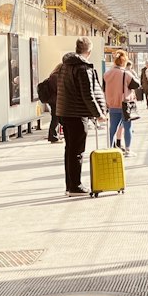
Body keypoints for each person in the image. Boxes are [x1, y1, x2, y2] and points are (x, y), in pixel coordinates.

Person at [52, 37, 106, 196]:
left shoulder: (64, 66)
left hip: (64, 112)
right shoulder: (82, 68)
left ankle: (70, 185)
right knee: (77, 151)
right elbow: (87, 94)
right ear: (89, 51)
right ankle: (76, 186)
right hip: (76, 114)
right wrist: (99, 114)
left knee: (70, 150)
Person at [103, 52, 140, 156]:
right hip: (124, 105)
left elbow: (104, 88)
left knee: (113, 128)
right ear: (124, 62)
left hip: (112, 104)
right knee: (127, 127)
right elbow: (136, 84)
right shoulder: (126, 73)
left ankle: (110, 148)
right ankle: (128, 150)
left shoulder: (107, 74)